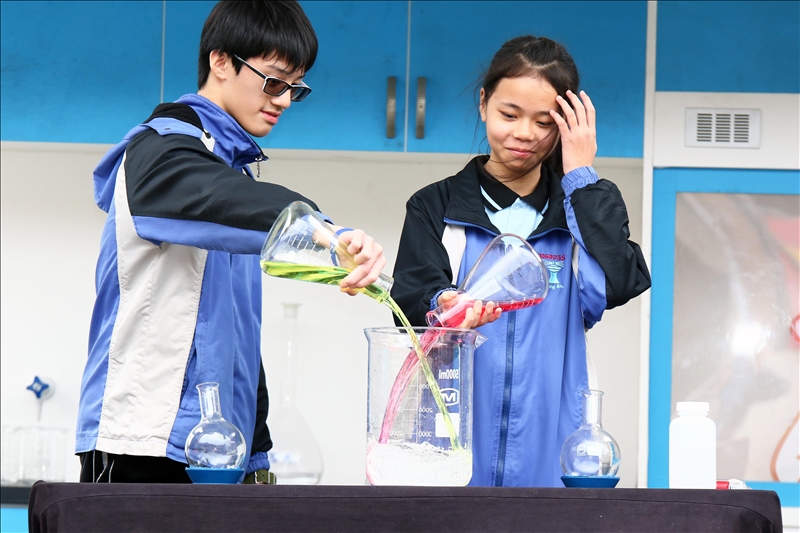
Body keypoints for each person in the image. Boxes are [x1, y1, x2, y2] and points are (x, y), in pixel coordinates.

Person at [75, 0, 386, 484]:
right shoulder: (159, 152)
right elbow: (220, 196)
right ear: (221, 61)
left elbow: (232, 338)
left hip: (215, 452)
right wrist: (327, 232)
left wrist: (256, 455)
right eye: (274, 81)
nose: (284, 100)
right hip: (141, 445)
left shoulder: (230, 172)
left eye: (296, 88)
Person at [390, 35, 651, 487]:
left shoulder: (580, 212)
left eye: (545, 122)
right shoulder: (435, 207)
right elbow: (408, 304)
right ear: (483, 103)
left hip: (553, 451)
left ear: (566, 125)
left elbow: (621, 280)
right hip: (450, 449)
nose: (525, 133)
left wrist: (581, 176)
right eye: (509, 115)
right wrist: (443, 304)